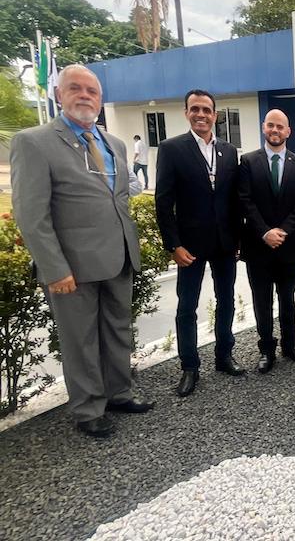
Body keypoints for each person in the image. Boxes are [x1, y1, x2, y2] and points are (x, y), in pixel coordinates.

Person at [11, 64, 151, 437]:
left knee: (117, 330)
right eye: (76, 88)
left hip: (118, 257)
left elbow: (117, 198)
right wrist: (54, 268)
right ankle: (88, 409)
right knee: (80, 339)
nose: (85, 96)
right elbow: (31, 215)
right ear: (59, 95)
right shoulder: (34, 142)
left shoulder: (114, 144)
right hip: (73, 267)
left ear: (101, 100)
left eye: (92, 91)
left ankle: (119, 393)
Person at [156, 89, 244, 398]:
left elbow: (234, 199)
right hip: (189, 246)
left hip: (224, 243)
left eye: (206, 110)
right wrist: (173, 245)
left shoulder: (229, 151)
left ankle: (224, 355)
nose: (201, 114)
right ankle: (190, 367)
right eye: (195, 109)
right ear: (186, 113)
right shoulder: (171, 149)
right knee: (187, 307)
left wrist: (237, 238)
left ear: (215, 115)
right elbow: (163, 202)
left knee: (226, 300)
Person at [238, 109, 295, 374]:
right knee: (262, 301)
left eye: (280, 126)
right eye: (271, 125)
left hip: (289, 245)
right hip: (258, 246)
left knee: (288, 299)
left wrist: (282, 231)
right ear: (263, 127)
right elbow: (244, 200)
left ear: (288, 131)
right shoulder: (248, 161)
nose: (275, 130)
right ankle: (266, 350)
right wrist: (265, 232)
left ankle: (290, 345)